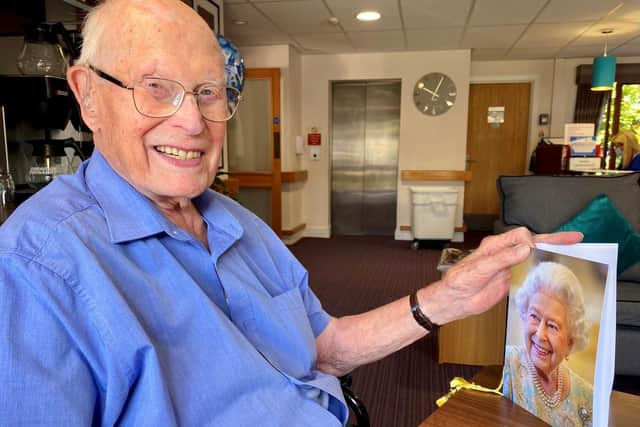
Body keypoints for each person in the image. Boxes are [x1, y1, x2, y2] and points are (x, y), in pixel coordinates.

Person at [0, 1, 582, 425]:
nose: (192, 121)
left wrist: (446, 298)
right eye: (156, 87)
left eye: (209, 92)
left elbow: (322, 346)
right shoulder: (36, 266)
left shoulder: (238, 223)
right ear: (88, 95)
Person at [502, 262, 593, 427]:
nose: (540, 334)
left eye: (552, 326)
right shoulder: (504, 365)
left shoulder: (587, 396)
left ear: (570, 343)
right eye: (534, 317)